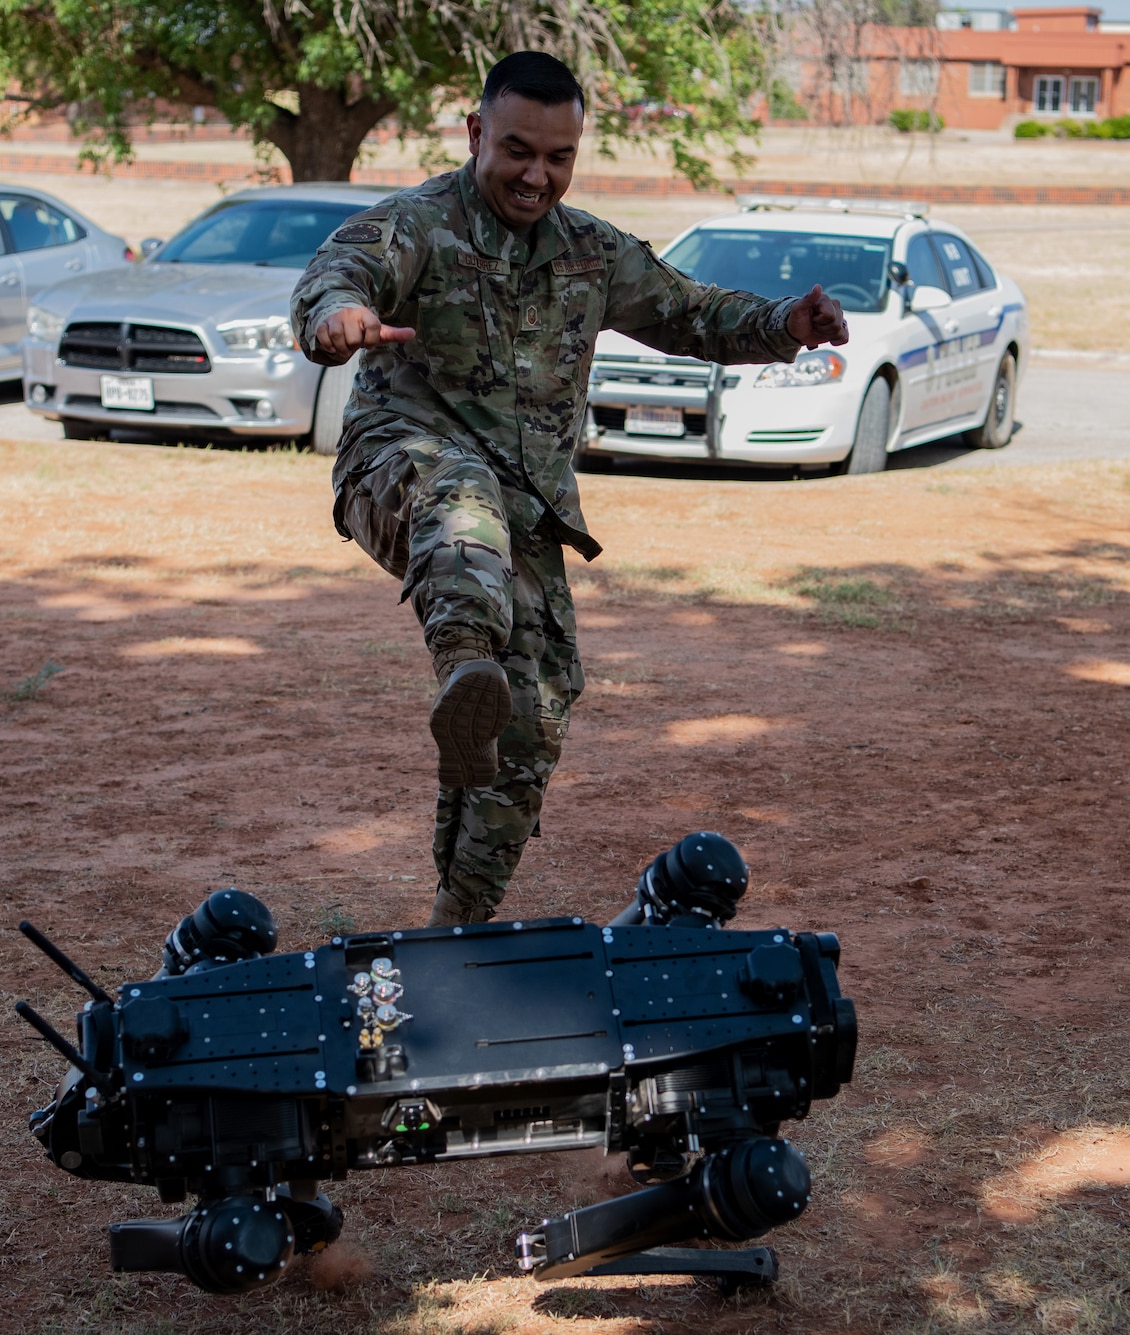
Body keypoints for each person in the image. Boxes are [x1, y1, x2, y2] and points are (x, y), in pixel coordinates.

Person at [292, 51, 849, 928]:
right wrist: (336, 322)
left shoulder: (590, 252)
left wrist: (786, 324)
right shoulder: (416, 225)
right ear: (476, 133)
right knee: (461, 495)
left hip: (523, 518)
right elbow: (339, 276)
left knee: (539, 710)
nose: (536, 176)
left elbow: (690, 311)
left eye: (559, 158)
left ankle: (455, 917)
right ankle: (465, 665)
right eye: (517, 151)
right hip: (398, 468)